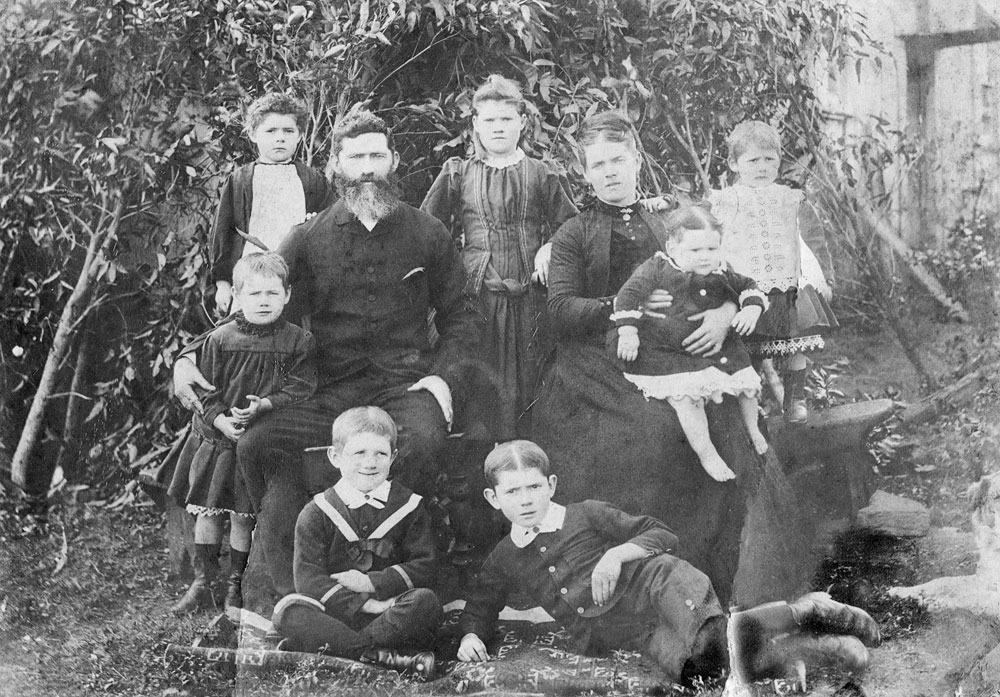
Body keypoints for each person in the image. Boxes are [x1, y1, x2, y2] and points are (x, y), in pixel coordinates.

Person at [172, 109, 480, 603]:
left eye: (376, 155)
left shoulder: (427, 232)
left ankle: (392, 573)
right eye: (355, 157)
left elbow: (463, 317)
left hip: (404, 386)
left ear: (393, 160)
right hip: (325, 388)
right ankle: (295, 583)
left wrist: (443, 380)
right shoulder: (308, 236)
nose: (366, 168)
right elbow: (259, 308)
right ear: (336, 164)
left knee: (422, 441)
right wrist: (187, 355)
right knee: (258, 441)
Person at [533, 110, 759, 604]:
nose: (610, 172)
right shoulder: (574, 232)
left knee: (726, 426)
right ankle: (642, 582)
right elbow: (560, 310)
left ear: (636, 160)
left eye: (619, 160)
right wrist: (621, 306)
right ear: (586, 174)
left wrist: (724, 311)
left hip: (669, 353)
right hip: (596, 362)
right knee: (652, 433)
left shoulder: (669, 221)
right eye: (598, 165)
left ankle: (711, 577)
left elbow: (721, 275)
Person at [457, 441, 881, 688]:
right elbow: (481, 599)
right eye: (513, 492)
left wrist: (615, 554)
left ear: (550, 485)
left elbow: (661, 534)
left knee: (711, 639)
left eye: (534, 487)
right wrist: (472, 632)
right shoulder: (504, 555)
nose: (527, 500)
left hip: (660, 584)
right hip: (631, 630)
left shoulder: (585, 514)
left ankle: (807, 613)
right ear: (494, 499)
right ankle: (811, 644)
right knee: (702, 669)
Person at [420, 74, 578, 438]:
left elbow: (571, 227)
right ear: (476, 123)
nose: (497, 127)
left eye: (506, 119)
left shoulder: (542, 173)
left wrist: (551, 247)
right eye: (488, 120)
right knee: (478, 396)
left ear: (522, 122)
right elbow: (427, 229)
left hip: (532, 299)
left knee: (536, 391)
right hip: (477, 301)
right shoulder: (458, 172)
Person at [167, 253, 317, 613]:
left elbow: (302, 387)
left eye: (271, 293)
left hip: (256, 440)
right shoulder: (220, 339)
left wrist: (264, 406)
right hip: (219, 438)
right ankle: (204, 581)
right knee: (209, 511)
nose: (263, 301)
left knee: (241, 514)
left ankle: (235, 584)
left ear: (287, 294)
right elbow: (203, 389)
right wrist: (220, 420)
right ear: (235, 295)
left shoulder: (298, 341)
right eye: (253, 294)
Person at [271, 407, 440, 680]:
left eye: (380, 454)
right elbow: (308, 579)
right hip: (335, 613)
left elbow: (426, 565)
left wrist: (371, 583)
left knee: (426, 602)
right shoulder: (316, 512)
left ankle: (336, 649)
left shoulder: (409, 506)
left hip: (391, 612)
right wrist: (364, 604)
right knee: (288, 611)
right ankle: (381, 657)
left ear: (393, 457)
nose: (370, 463)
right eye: (359, 453)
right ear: (335, 457)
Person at [612, 204, 770, 483]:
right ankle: (706, 452)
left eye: (712, 249)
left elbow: (749, 286)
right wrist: (628, 331)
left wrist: (750, 309)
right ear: (673, 247)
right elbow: (628, 295)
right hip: (670, 351)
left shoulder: (722, 270)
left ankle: (753, 428)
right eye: (695, 251)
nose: (705, 258)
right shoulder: (658, 267)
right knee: (688, 400)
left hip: (715, 348)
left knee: (746, 385)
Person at [707, 120, 838, 423]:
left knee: (793, 344)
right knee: (749, 348)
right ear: (734, 164)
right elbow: (709, 236)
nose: (762, 167)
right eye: (753, 160)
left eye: (770, 159)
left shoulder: (790, 198)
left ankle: (795, 398)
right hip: (748, 289)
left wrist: (823, 278)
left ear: (780, 160)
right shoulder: (725, 201)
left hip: (787, 283)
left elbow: (814, 238)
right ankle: (754, 404)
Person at [209, 92, 332, 317]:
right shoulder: (240, 180)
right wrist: (222, 284)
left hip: (296, 281)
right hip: (250, 278)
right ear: (254, 134)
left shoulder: (313, 181)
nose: (280, 138)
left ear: (299, 136)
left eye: (288, 131)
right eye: (271, 131)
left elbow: (328, 230)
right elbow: (222, 233)